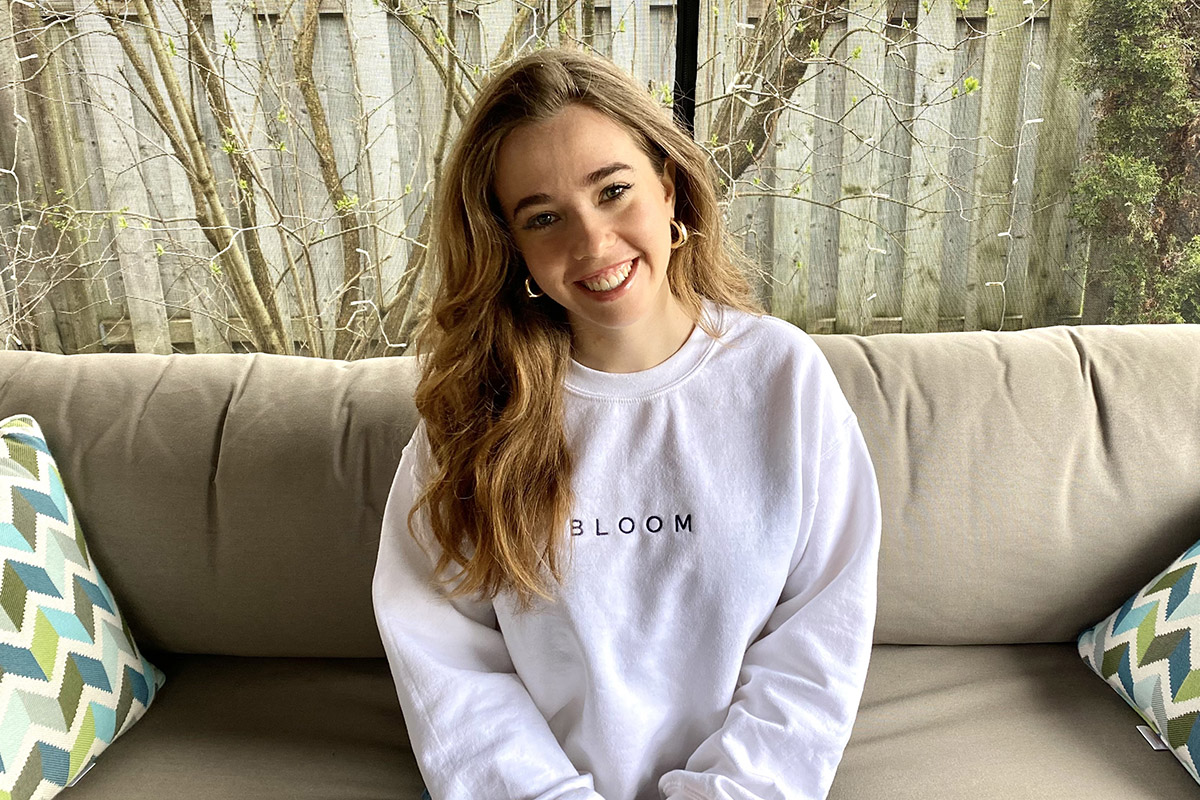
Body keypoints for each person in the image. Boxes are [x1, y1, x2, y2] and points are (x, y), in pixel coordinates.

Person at [372, 47, 881, 800]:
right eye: (544, 217)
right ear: (512, 245)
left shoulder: (784, 377)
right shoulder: (473, 412)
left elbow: (817, 639)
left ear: (668, 188)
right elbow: (445, 658)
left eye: (613, 190)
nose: (592, 243)